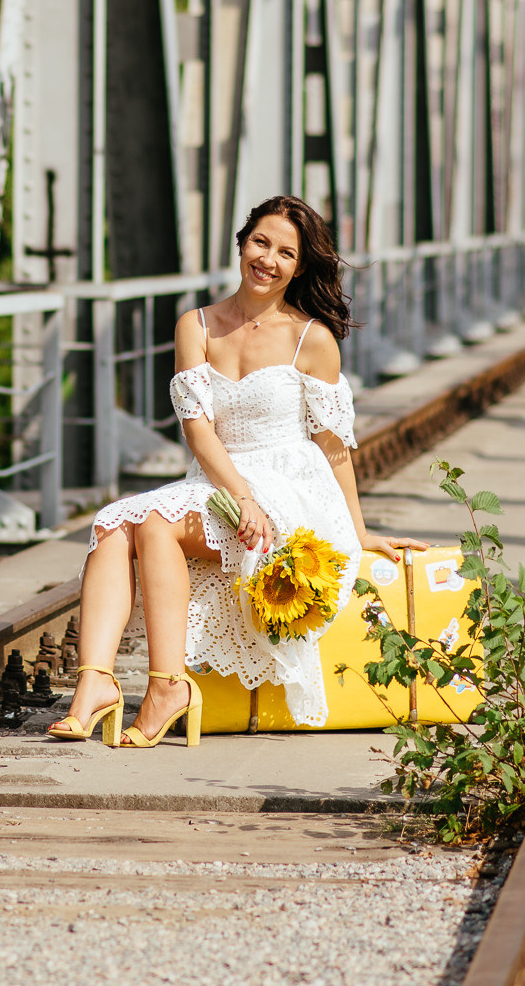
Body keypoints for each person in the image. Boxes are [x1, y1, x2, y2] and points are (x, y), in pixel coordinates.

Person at [49, 195, 424, 747]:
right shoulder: (196, 325)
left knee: (155, 523)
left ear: (300, 265)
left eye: (286, 253)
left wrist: (359, 533)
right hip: (223, 482)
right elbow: (198, 430)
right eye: (261, 243)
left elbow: (333, 447)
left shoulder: (311, 339)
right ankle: (96, 685)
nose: (268, 259)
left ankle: (165, 687)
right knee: (111, 524)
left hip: (289, 492)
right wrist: (239, 495)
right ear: (242, 243)